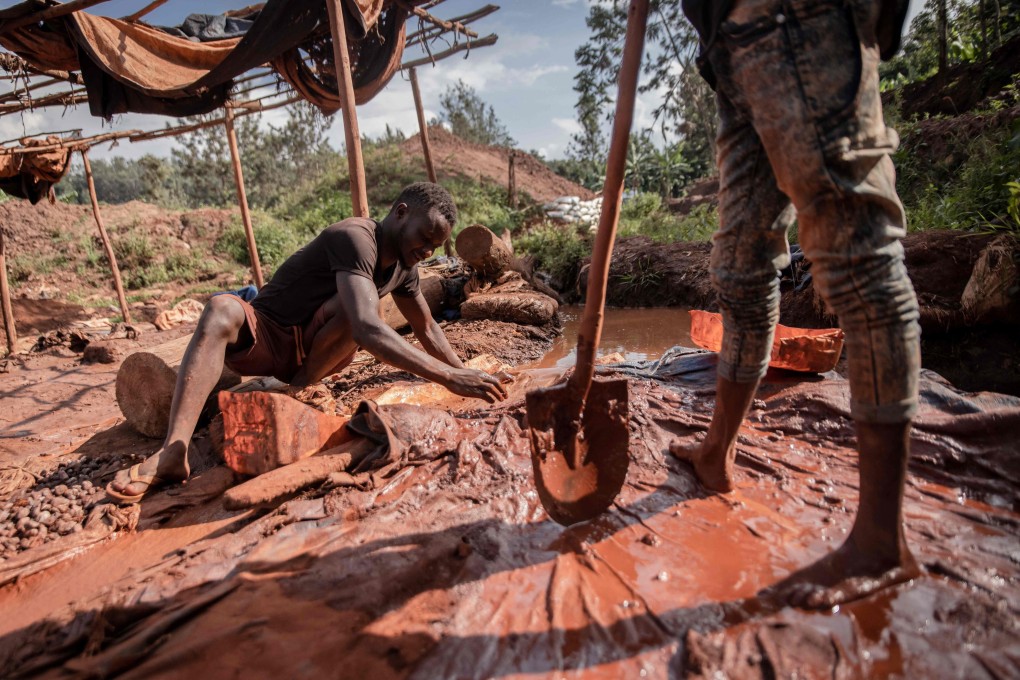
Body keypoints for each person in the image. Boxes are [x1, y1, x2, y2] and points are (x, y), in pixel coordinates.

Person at [673, 0, 920, 607]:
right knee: (740, 265)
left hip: (796, 16)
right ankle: (716, 455)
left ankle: (880, 542)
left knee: (855, 249)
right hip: (732, 49)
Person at [108, 182, 507, 503]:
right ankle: (174, 450)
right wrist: (448, 379)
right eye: (424, 237)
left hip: (315, 357)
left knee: (353, 307)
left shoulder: (405, 268)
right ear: (401, 213)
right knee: (220, 310)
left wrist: (463, 371)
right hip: (267, 336)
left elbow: (428, 328)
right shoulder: (355, 237)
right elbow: (368, 329)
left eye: (435, 247)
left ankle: (298, 388)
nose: (427, 251)